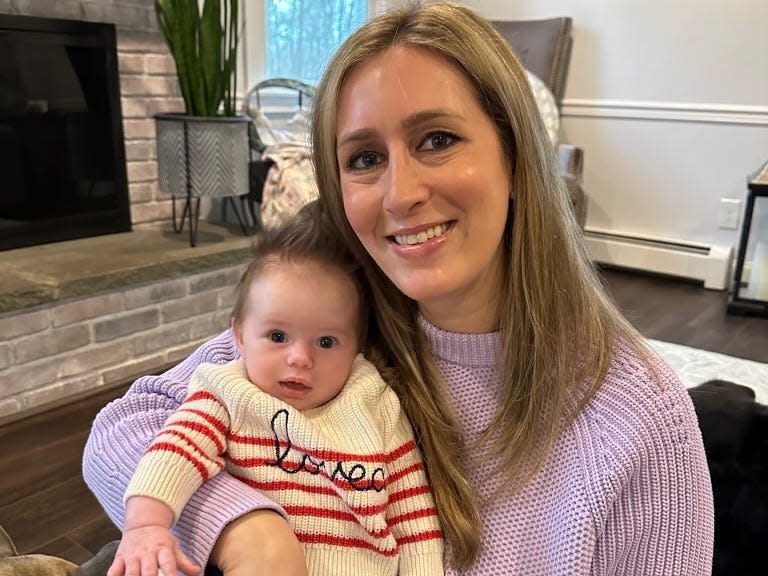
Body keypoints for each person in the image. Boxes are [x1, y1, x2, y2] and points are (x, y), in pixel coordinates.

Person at [84, 2, 714, 574]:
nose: (401, 194)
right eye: (364, 158)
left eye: (437, 140)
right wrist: (249, 529)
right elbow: (119, 431)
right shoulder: (333, 323)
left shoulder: (638, 420)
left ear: (516, 159)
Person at [105, 203, 444, 576]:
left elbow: (413, 515)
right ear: (239, 337)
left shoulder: (373, 402)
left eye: (327, 342)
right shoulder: (228, 390)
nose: (299, 358)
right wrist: (146, 524)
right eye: (278, 336)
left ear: (357, 347)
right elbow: (176, 450)